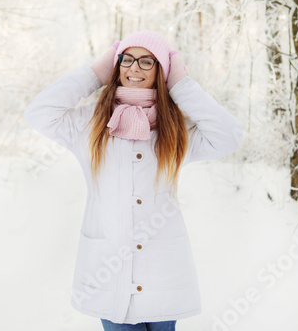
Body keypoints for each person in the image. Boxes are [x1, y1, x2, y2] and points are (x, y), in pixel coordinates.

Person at [24, 30, 243, 331]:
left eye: (146, 61)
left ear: (161, 72)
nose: (134, 68)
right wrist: (93, 76)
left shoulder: (177, 128)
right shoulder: (88, 124)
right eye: (126, 60)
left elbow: (229, 137)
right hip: (108, 271)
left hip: (163, 273)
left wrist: (181, 86)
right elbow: (39, 112)